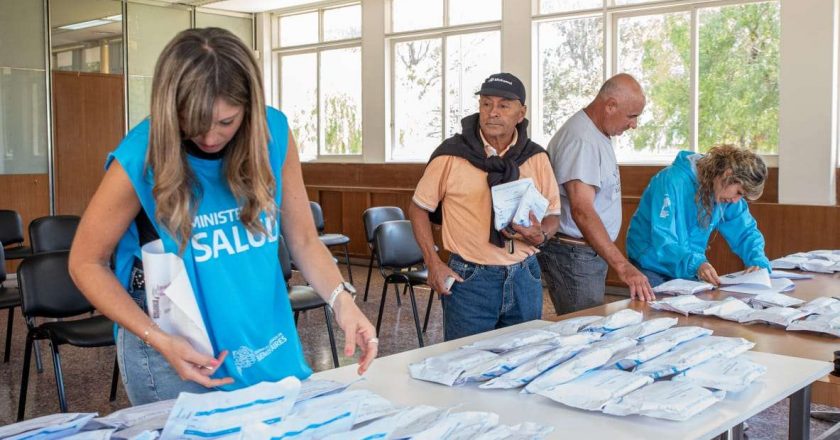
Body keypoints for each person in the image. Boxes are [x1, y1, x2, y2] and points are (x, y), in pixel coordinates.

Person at [68, 28, 377, 405]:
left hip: (262, 337)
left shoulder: (273, 133)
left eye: (226, 122)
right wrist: (158, 339)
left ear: (248, 107)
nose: (211, 138)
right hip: (176, 347)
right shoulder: (140, 155)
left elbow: (303, 240)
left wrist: (342, 302)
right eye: (194, 123)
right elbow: (85, 262)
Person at [408, 72, 562, 341]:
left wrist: (542, 235)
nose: (493, 112)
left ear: (521, 113)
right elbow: (418, 208)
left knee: (523, 361)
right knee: (464, 364)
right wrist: (432, 263)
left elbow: (553, 215)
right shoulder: (451, 154)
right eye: (486, 104)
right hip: (469, 278)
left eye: (504, 105)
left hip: (525, 276)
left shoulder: (535, 157)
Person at [538, 73, 655, 316]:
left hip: (586, 252)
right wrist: (622, 266)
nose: (634, 125)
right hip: (575, 255)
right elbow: (582, 210)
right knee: (584, 329)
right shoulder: (582, 140)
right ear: (610, 105)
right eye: (632, 116)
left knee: (590, 325)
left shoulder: (596, 133)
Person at [626, 144, 770, 286]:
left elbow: (745, 232)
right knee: (656, 308)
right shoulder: (671, 180)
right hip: (651, 263)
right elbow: (663, 240)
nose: (736, 200)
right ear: (728, 174)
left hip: (687, 266)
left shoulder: (724, 190)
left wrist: (757, 260)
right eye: (739, 192)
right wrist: (696, 263)